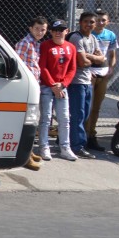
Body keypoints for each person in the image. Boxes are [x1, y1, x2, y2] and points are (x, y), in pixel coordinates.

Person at [67, 11, 105, 159]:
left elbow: (102, 59)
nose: (89, 24)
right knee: (78, 114)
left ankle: (67, 139)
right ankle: (77, 146)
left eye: (92, 22)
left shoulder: (93, 38)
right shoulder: (77, 38)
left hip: (87, 80)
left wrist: (90, 57)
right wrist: (92, 58)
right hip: (76, 82)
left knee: (85, 114)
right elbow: (83, 63)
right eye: (86, 21)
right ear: (80, 22)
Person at [38, 19, 78, 162]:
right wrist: (52, 85)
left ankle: (65, 148)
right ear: (51, 32)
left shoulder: (71, 47)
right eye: (55, 30)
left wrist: (63, 84)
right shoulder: (45, 46)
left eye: (61, 30)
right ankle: (44, 146)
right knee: (46, 118)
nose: (58, 33)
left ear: (66, 31)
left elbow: (72, 68)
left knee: (65, 118)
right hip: (47, 87)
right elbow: (42, 67)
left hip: (62, 88)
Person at [14, 16, 48, 170]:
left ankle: (29, 150)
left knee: (34, 120)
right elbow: (19, 66)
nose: (40, 32)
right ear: (30, 28)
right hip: (27, 88)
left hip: (35, 87)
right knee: (28, 122)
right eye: (37, 29)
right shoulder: (25, 44)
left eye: (43, 30)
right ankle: (25, 157)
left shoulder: (36, 44)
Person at [86, 9, 119, 152]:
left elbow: (112, 55)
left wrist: (111, 69)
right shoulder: (87, 34)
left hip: (103, 75)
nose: (100, 23)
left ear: (108, 21)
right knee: (85, 107)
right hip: (88, 74)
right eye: (97, 20)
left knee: (96, 108)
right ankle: (79, 134)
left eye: (103, 20)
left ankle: (91, 136)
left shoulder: (110, 35)